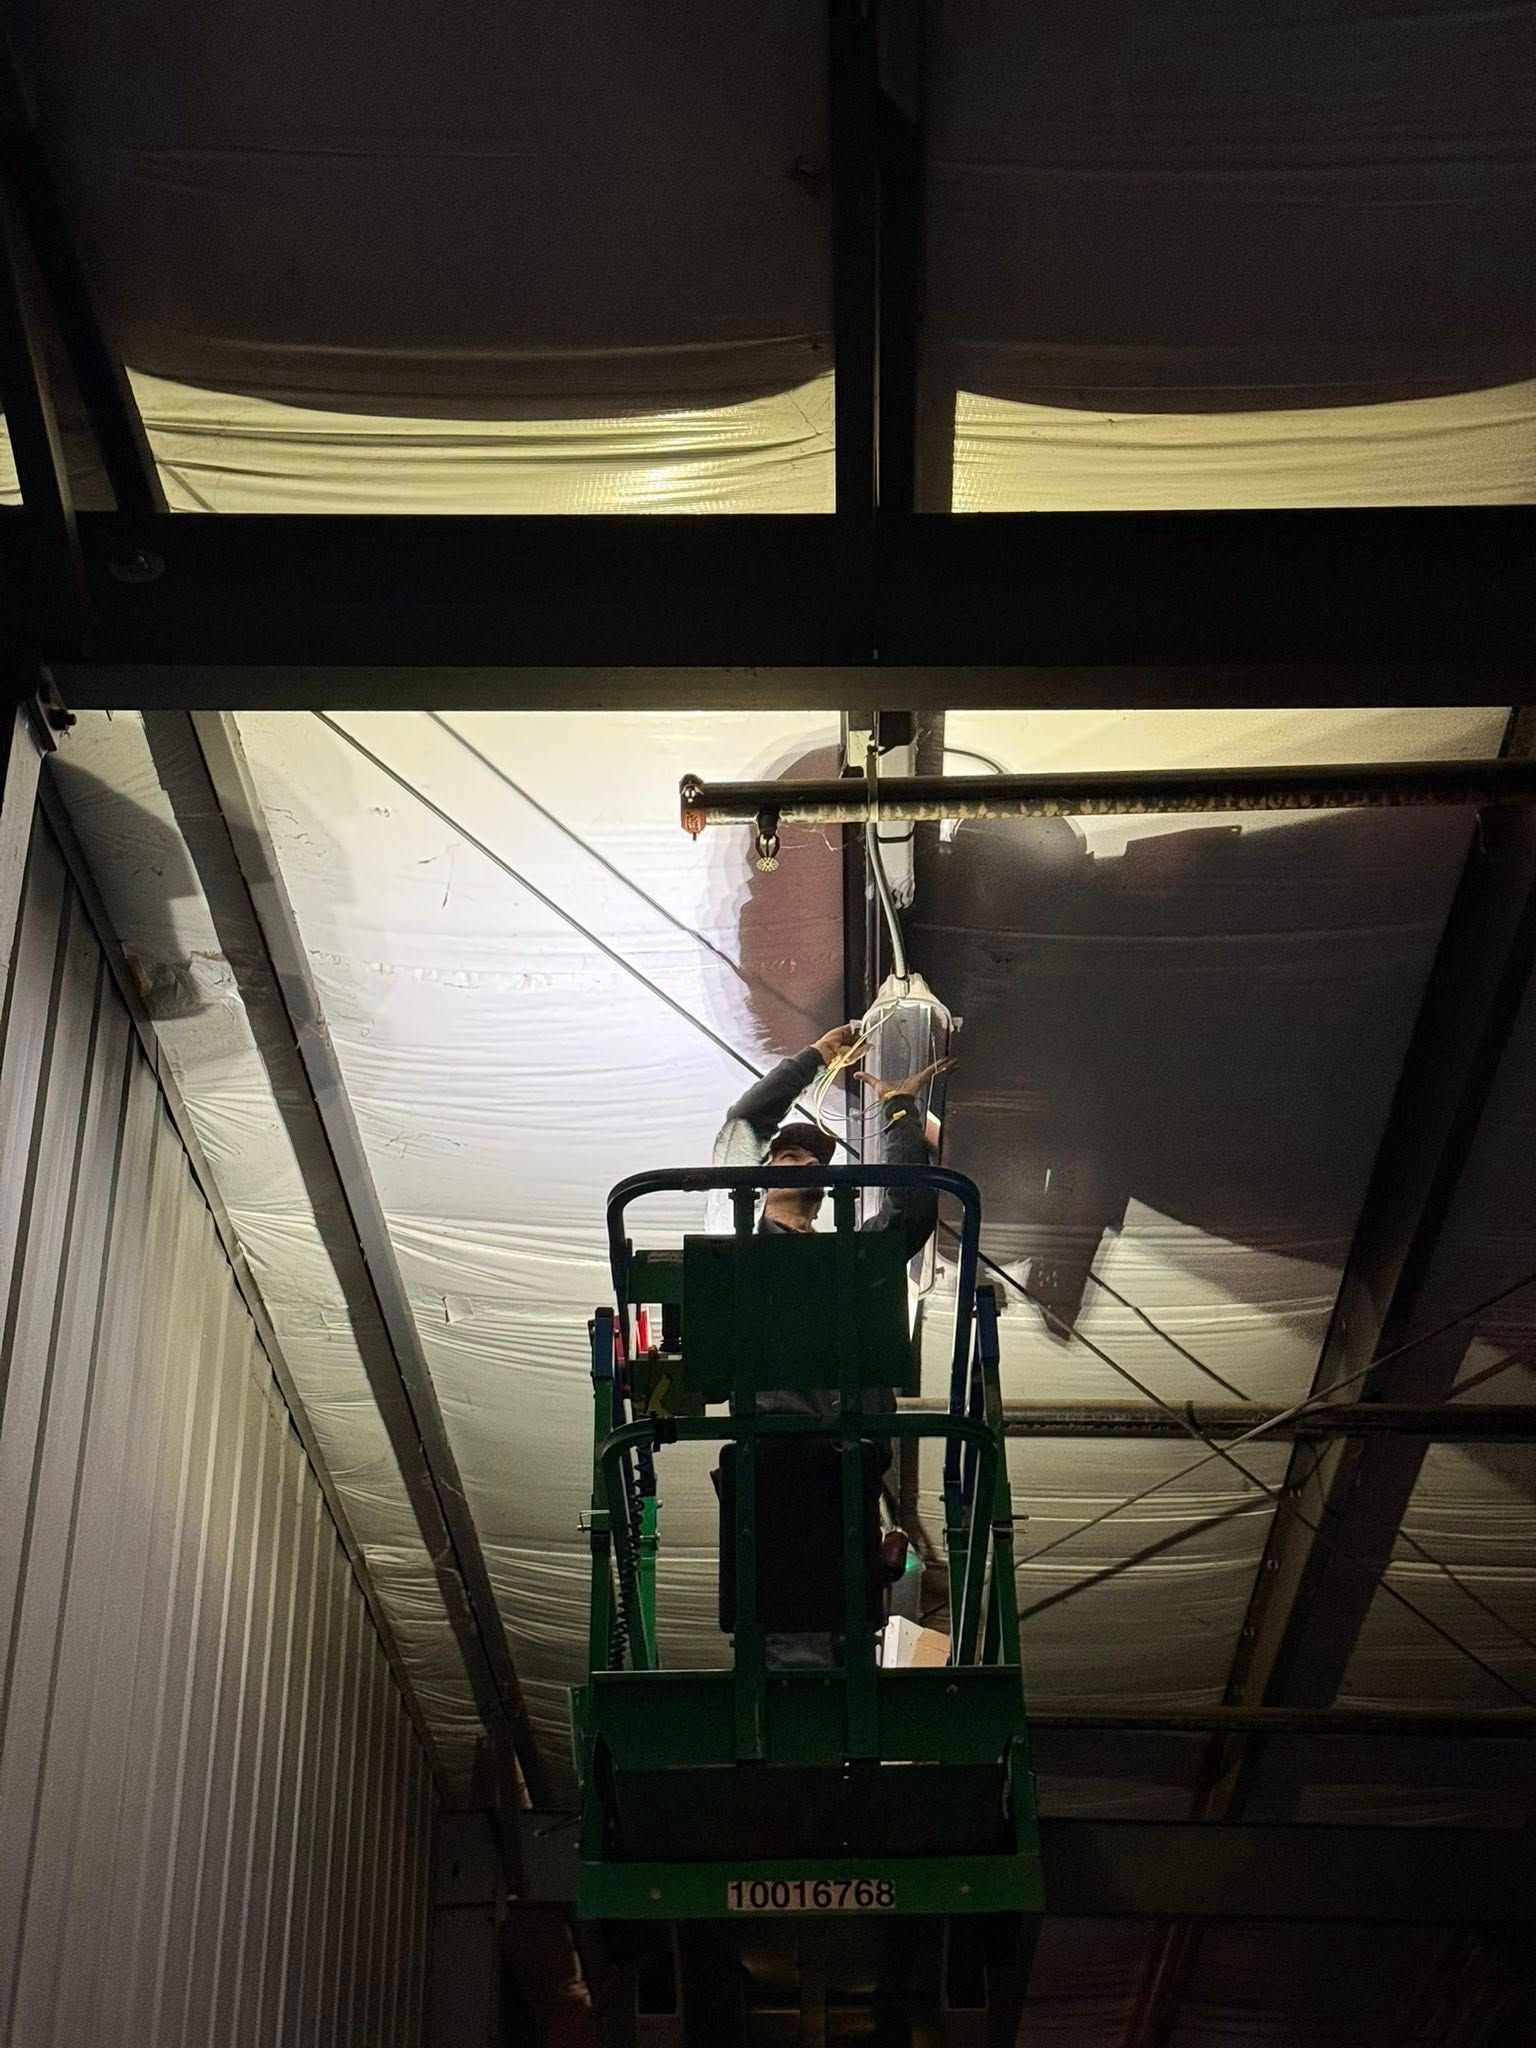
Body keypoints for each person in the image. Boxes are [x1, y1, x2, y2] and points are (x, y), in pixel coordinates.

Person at [711, 1023, 955, 1665]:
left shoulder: (853, 1258)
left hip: (843, 1461)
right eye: (787, 1156)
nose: (804, 1162)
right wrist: (815, 1058)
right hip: (773, 1454)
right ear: (762, 1175)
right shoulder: (741, 1241)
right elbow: (744, 1121)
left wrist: (900, 1112)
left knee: (836, 1622)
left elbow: (913, 1214)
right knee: (783, 1624)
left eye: (815, 1159)